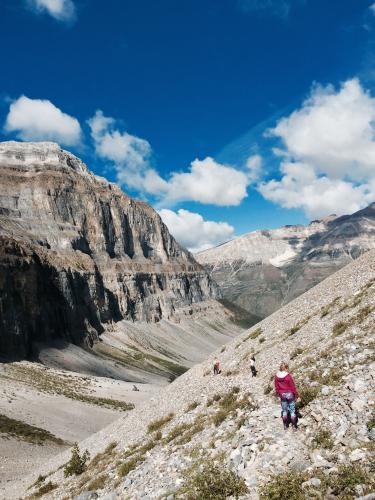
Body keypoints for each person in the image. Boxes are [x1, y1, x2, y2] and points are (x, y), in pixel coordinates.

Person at [274, 362, 299, 431]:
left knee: (284, 411)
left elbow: (276, 387)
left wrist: (278, 394)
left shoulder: (276, 376)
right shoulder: (288, 376)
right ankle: (294, 426)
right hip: (290, 395)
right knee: (292, 411)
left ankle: (285, 425)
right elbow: (292, 386)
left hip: (282, 395)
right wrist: (296, 394)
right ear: (286, 368)